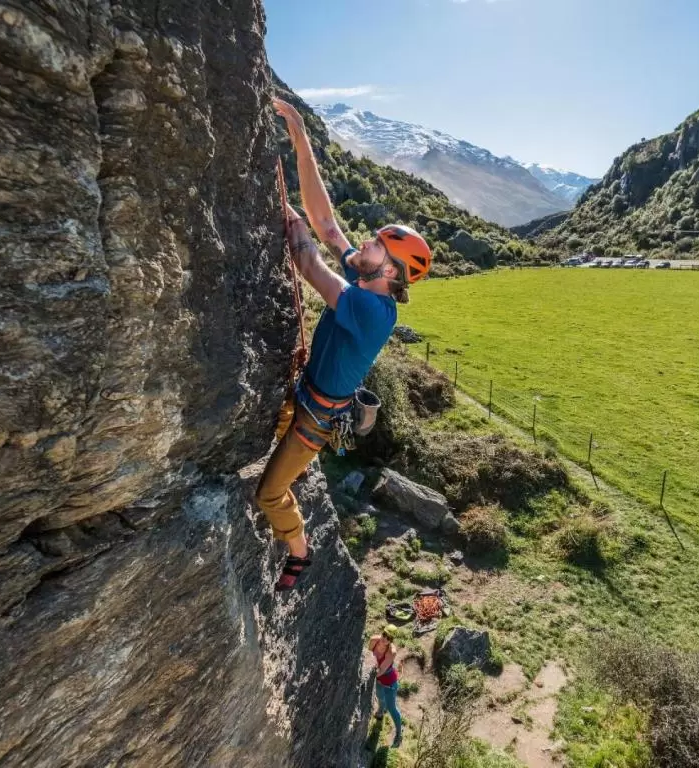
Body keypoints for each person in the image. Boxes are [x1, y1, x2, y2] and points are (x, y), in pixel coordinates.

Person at [257, 98, 433, 592]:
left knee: (270, 493)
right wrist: (300, 137)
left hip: (315, 419)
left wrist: (283, 213)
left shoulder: (372, 310)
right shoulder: (368, 280)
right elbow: (327, 224)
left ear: (390, 271)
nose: (364, 245)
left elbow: (310, 263)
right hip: (308, 392)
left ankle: (299, 551)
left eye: (376, 246)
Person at [369, 625, 403, 748]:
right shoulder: (374, 640)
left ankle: (399, 732)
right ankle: (380, 712)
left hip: (389, 682)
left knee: (392, 707)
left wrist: (368, 677)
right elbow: (369, 656)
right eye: (384, 634)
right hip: (378, 680)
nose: (385, 638)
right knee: (379, 696)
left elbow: (382, 669)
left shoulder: (391, 652)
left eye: (389, 637)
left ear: (391, 640)